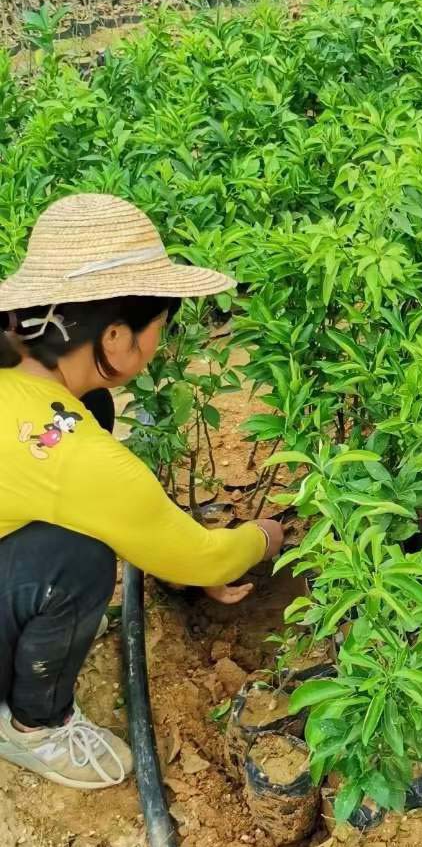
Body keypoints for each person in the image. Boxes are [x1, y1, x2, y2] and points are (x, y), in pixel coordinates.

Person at [0, 194, 284, 790]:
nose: (161, 346)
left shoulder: (19, 373)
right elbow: (203, 557)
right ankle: (33, 725)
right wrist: (263, 537)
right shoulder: (75, 456)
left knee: (94, 409)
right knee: (78, 562)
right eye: (160, 328)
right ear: (115, 336)